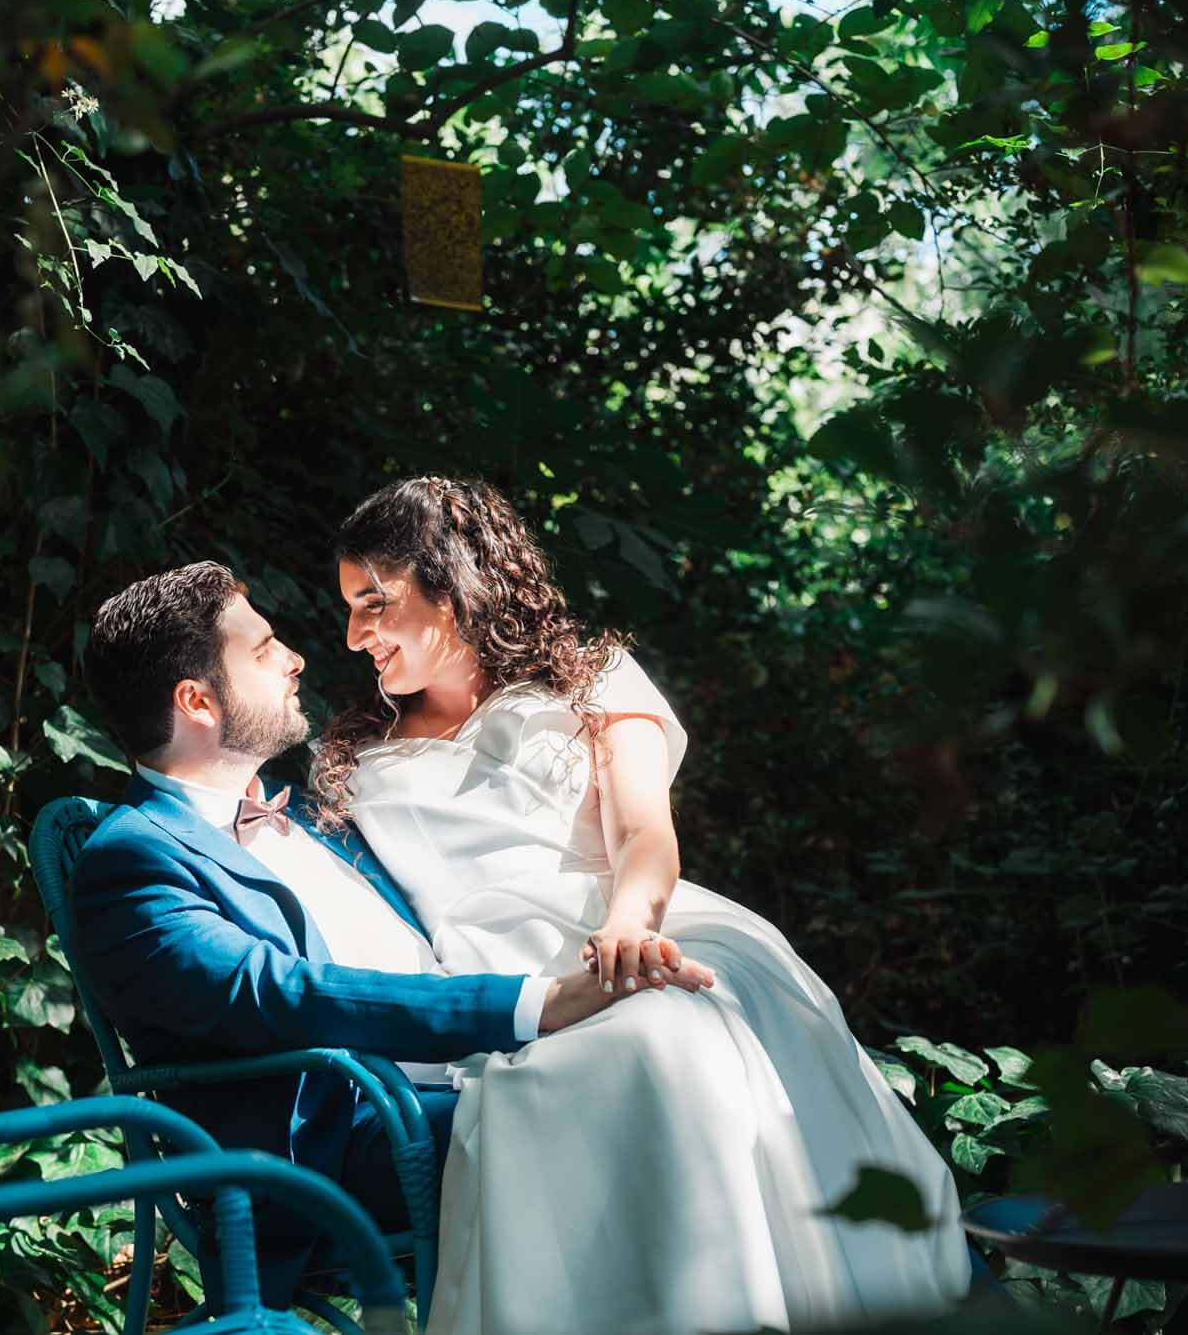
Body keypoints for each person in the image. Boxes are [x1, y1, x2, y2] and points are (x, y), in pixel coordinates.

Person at [311, 475, 973, 1334]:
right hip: (504, 980)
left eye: (373, 602)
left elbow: (642, 831)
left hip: (635, 920)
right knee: (621, 1056)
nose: (354, 634)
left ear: (451, 583)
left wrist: (629, 923)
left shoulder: (594, 680)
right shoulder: (355, 756)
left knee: (686, 1020)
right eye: (349, 609)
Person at [71, 561, 715, 1311]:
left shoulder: (316, 813)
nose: (296, 659)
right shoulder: (133, 860)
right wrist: (539, 1004)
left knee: (681, 1044)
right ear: (197, 701)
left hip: (479, 1070)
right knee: (621, 1100)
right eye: (265, 648)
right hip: (349, 1138)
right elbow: (283, 994)